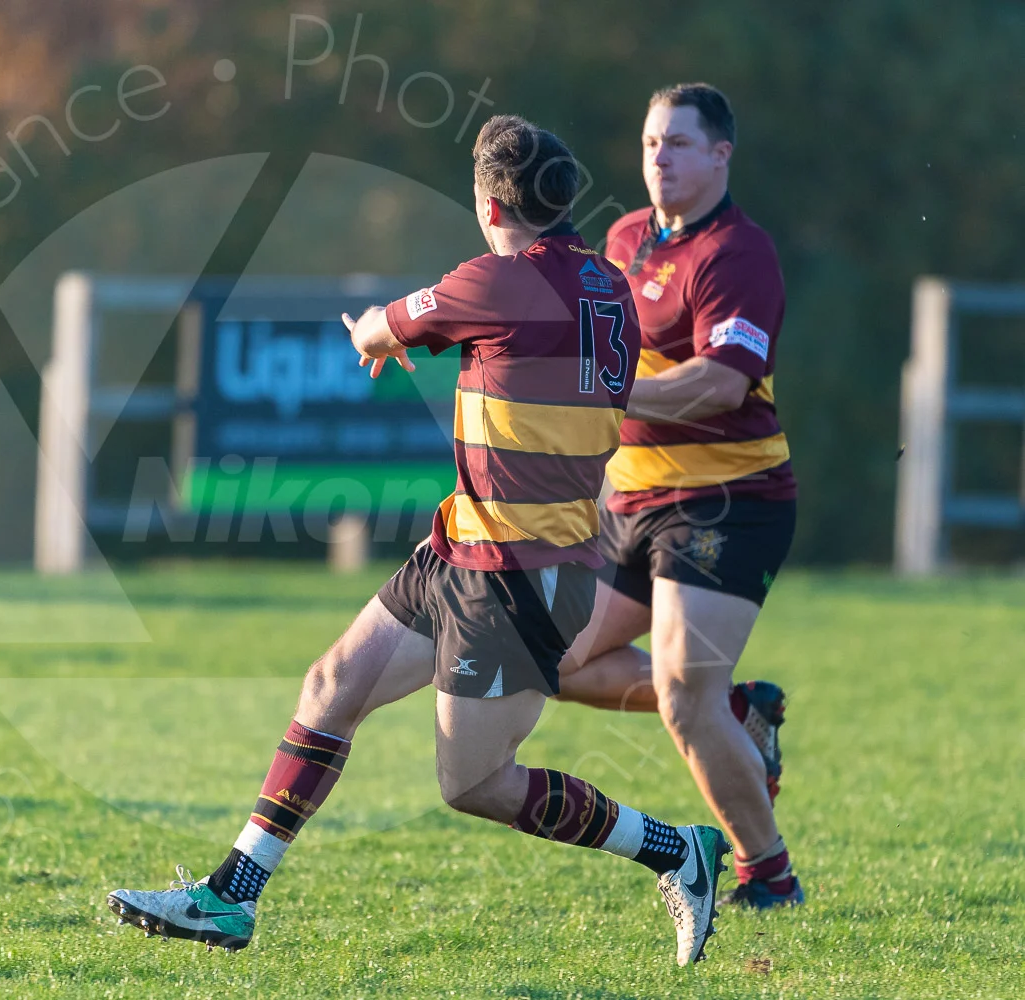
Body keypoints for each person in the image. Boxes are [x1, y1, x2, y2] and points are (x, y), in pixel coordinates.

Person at [107, 115, 731, 967]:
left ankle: (675, 850)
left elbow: (378, 330)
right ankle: (231, 898)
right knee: (332, 682)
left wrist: (374, 329)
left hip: (523, 572)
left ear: (487, 203)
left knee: (474, 784)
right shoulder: (607, 282)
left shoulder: (500, 281)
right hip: (466, 541)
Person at [554, 83, 803, 909]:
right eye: (652, 141)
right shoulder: (626, 237)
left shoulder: (738, 253)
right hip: (632, 499)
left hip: (727, 499)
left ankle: (768, 875)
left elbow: (722, 384)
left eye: (680, 143)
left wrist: (609, 392)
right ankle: (740, 714)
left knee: (681, 697)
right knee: (552, 658)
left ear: (721, 155)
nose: (660, 156)